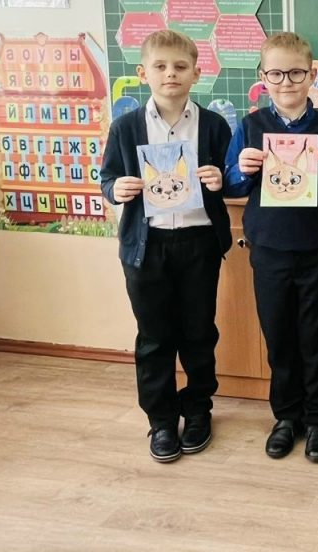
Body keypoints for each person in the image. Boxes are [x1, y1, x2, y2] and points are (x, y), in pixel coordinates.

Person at [224, 32, 318, 463]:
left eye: (296, 73)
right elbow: (232, 184)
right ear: (263, 77)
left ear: (312, 75)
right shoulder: (250, 126)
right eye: (276, 74)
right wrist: (241, 170)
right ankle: (286, 417)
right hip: (269, 249)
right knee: (279, 336)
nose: (286, 82)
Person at [100, 29, 231, 463]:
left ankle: (197, 409)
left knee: (199, 332)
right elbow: (107, 179)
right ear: (143, 73)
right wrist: (116, 187)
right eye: (160, 66)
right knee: (154, 337)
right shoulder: (126, 127)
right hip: (147, 246)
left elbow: (231, 177)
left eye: (179, 66)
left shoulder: (213, 125)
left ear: (196, 73)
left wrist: (220, 180)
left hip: (198, 243)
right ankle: (160, 420)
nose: (170, 73)